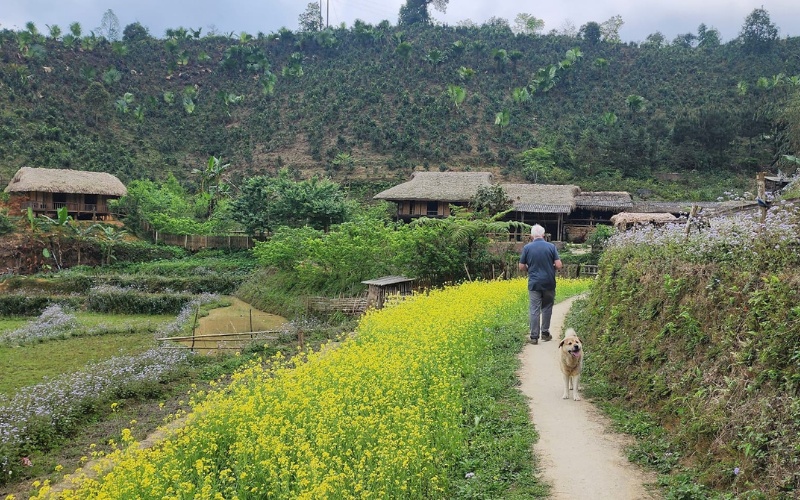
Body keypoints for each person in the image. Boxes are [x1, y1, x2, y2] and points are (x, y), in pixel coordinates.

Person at [519, 224, 562, 344]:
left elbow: (521, 266)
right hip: (549, 282)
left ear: (532, 235)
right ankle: (545, 332)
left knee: (534, 309)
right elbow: (558, 265)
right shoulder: (551, 247)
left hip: (534, 283)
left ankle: (534, 337)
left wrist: (530, 269)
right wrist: (551, 267)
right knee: (547, 307)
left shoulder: (527, 248)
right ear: (543, 235)